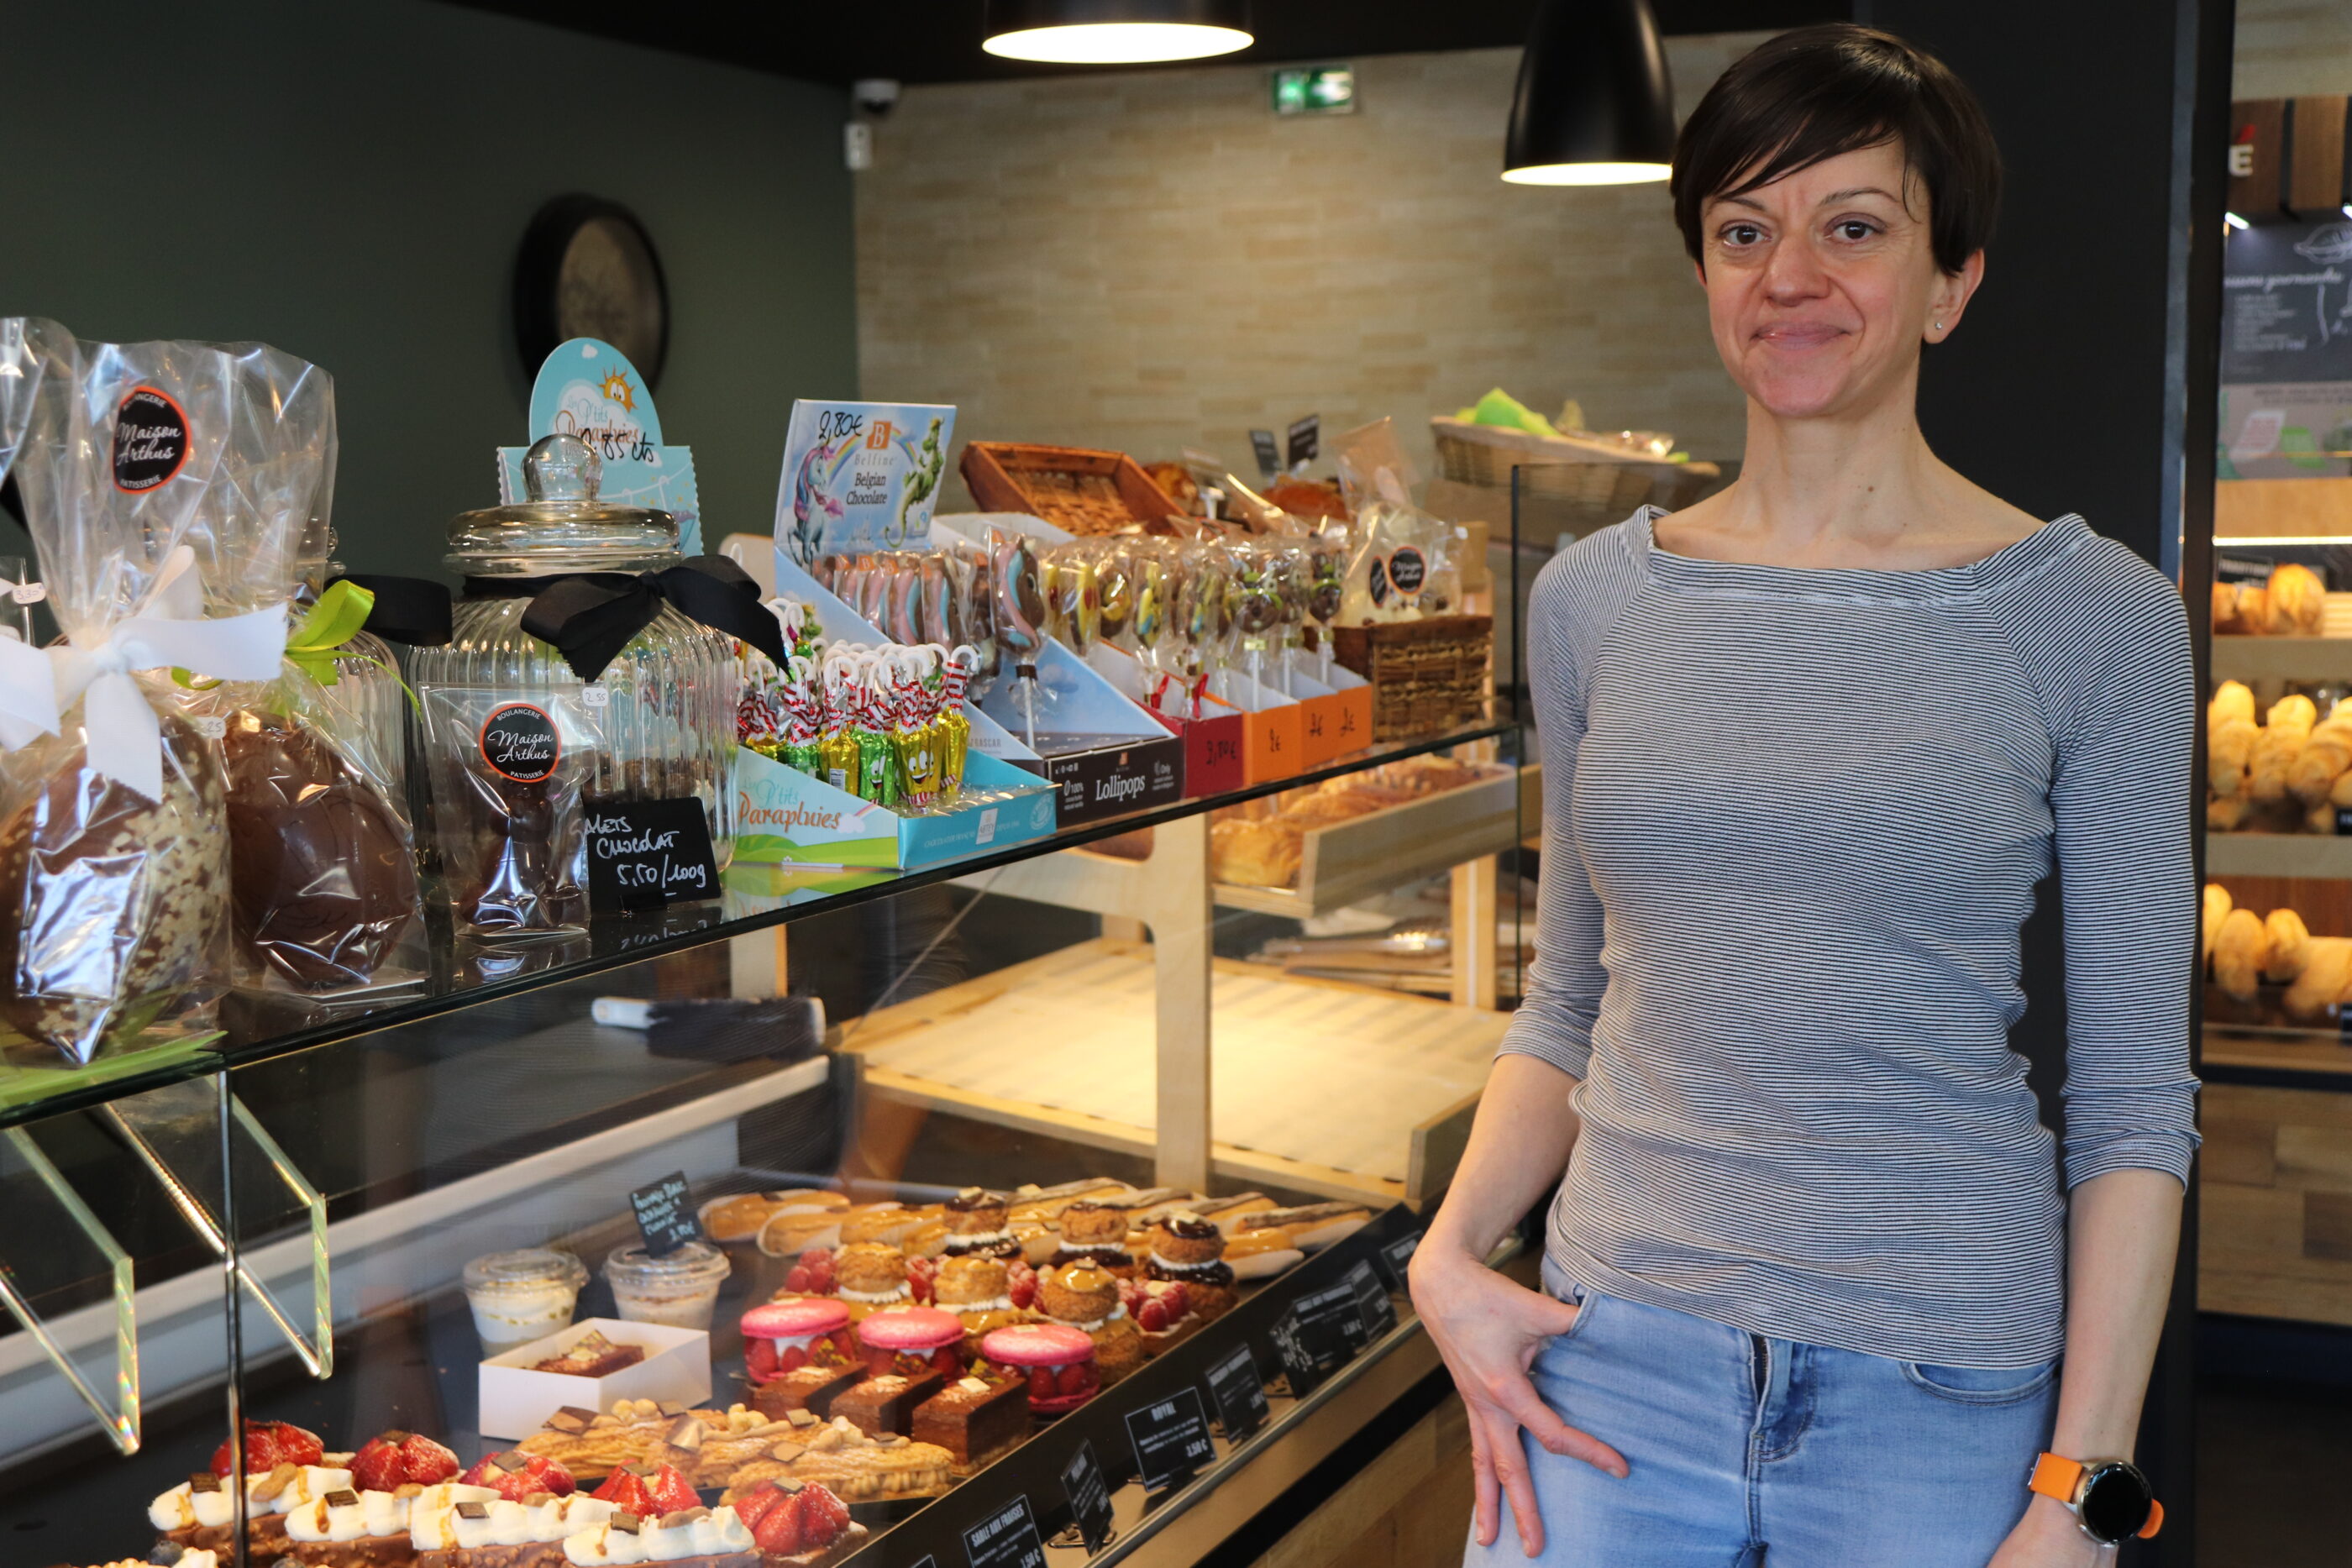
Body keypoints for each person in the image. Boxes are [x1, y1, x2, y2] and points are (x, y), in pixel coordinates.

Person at [1410, 24, 2198, 1568]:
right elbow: (1568, 1001)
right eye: (1744, 232)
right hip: (1607, 1370)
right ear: (1704, 272)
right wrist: (1445, 1256)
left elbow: (2130, 1106)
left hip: (1936, 1390)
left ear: (1950, 282)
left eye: (1855, 227)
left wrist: (2082, 1493)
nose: (1791, 277)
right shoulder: (1590, 601)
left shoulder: (2092, 613)